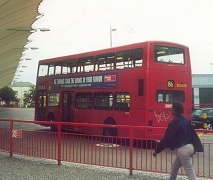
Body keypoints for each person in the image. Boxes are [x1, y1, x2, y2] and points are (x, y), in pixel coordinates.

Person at [153, 102, 196, 180]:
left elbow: (166, 139)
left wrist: (157, 151)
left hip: (183, 149)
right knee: (174, 167)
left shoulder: (173, 122)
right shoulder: (186, 119)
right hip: (190, 147)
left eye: (172, 108)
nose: (171, 109)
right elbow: (192, 133)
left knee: (190, 172)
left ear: (175, 110)